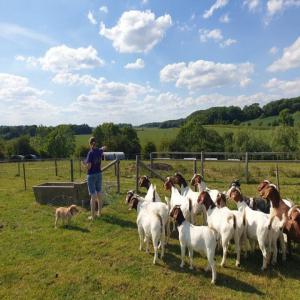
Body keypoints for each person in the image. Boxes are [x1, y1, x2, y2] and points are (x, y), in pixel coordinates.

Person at [85, 137, 106, 220]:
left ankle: (93, 216)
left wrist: (84, 166)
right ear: (95, 143)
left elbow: (89, 166)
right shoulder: (99, 151)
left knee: (93, 196)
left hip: (91, 175)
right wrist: (101, 148)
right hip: (99, 174)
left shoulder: (90, 153)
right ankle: (99, 213)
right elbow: (104, 148)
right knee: (99, 193)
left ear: (90, 144)